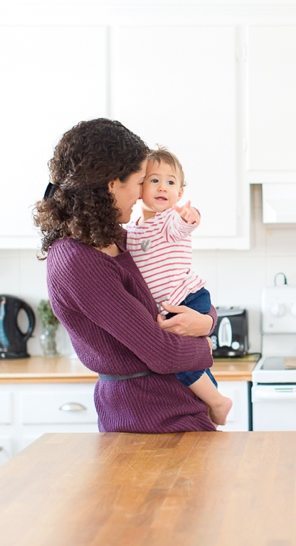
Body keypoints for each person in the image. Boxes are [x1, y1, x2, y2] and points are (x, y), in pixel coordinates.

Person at [34, 118, 218, 433]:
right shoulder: (77, 261)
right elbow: (161, 352)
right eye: (139, 180)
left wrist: (206, 321)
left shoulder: (117, 239)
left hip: (176, 413)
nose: (140, 192)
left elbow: (176, 290)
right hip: (146, 424)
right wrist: (207, 346)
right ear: (112, 184)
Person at [125, 146, 232, 426]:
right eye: (154, 180)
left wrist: (190, 215)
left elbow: (185, 222)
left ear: (180, 192)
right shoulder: (132, 230)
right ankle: (214, 399)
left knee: (180, 359)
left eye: (171, 182)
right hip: (172, 305)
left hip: (188, 297)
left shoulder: (169, 220)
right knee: (188, 358)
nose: (163, 187)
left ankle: (218, 402)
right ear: (139, 187)